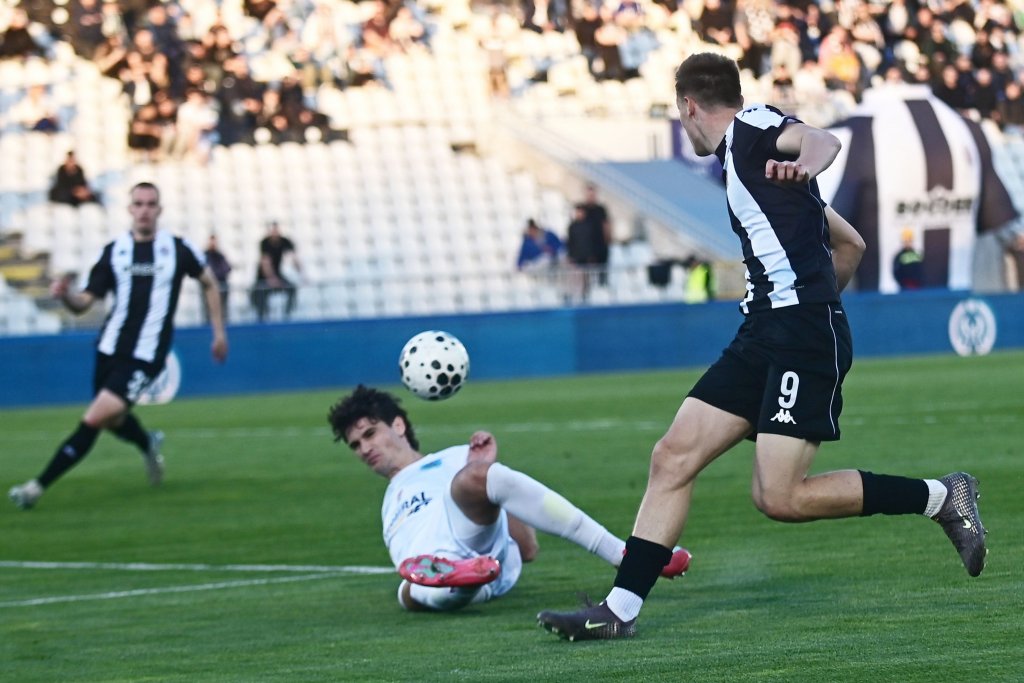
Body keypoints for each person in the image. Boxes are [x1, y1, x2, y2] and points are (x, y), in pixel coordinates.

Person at [537, 52, 987, 642]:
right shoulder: (754, 170)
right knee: (672, 457)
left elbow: (821, 140)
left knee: (780, 497)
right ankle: (618, 611)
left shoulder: (752, 129)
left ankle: (941, 496)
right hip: (764, 334)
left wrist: (811, 302)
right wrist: (809, 291)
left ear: (688, 107)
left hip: (798, 336)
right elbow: (850, 245)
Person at [327, 385, 692, 612]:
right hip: (441, 569)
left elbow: (526, 548)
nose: (364, 449)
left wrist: (489, 477)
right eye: (355, 445)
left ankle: (621, 554)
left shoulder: (456, 458)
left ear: (398, 425)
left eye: (370, 434)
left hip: (474, 544)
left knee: (477, 478)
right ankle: (454, 580)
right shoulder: (390, 503)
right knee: (410, 590)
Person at [8, 182, 229, 510]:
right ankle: (147, 442)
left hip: (147, 355)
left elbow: (209, 283)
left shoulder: (177, 249)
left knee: (94, 419)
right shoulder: (115, 251)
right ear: (129, 209)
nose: (144, 210)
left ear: (159, 209)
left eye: (150, 204)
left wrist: (219, 332)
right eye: (138, 204)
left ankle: (35, 488)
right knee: (113, 420)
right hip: (109, 349)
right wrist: (65, 296)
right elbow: (84, 302)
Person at [251, 221, 302, 322]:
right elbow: (265, 262)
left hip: (278, 274)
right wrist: (272, 278)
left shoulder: (284, 241)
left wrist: (302, 273)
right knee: (260, 294)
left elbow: (294, 257)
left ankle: (287, 315)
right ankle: (261, 319)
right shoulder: (264, 243)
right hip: (263, 277)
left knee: (291, 288)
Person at [204, 234, 232, 322]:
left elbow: (227, 268)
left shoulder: (220, 255)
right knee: (209, 309)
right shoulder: (205, 255)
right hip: (209, 287)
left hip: (221, 286)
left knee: (222, 308)